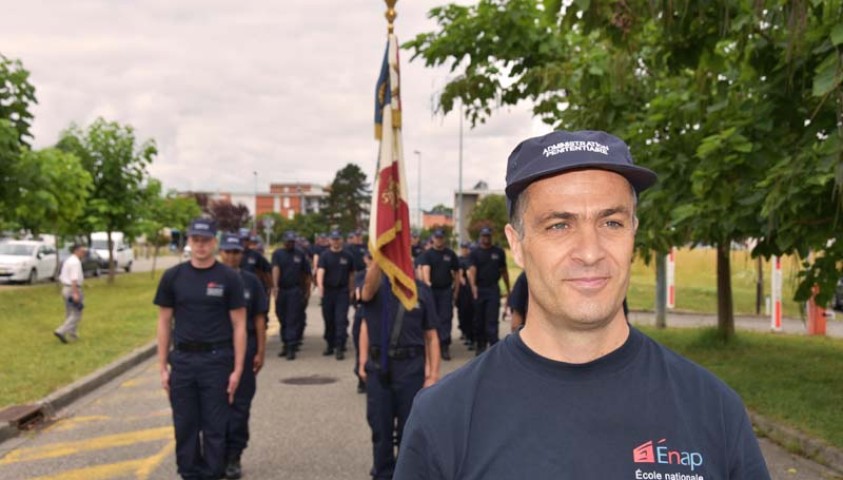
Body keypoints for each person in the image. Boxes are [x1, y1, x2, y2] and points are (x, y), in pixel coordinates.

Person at [393, 130, 771, 479]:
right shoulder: (445, 417)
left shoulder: (713, 409)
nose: (590, 252)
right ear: (517, 244)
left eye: (611, 223)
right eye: (559, 225)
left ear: (633, 233)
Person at [154, 218, 247, 480]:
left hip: (217, 361)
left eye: (206, 240)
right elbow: (164, 322)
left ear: (214, 242)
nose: (201, 245)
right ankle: (190, 473)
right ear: (189, 241)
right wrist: (162, 366)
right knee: (185, 426)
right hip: (182, 361)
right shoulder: (173, 277)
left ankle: (212, 473)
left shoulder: (229, 278)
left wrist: (238, 369)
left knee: (215, 426)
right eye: (196, 240)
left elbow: (239, 324)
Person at [358, 262, 441, 480]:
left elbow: (431, 335)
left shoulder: (421, 290)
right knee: (381, 431)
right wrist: (362, 360)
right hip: (379, 367)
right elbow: (366, 313)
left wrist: (432, 375)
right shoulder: (375, 286)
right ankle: (383, 474)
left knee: (410, 432)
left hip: (411, 369)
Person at [218, 233, 268, 480]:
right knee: (214, 405)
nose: (231, 256)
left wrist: (260, 350)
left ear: (242, 254)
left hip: (245, 348)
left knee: (239, 406)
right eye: (227, 251)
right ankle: (216, 454)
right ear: (220, 252)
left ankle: (233, 455)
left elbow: (260, 319)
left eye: (236, 252)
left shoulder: (251, 282)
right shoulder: (211, 279)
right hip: (216, 350)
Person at [466, 226, 511, 355]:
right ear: (480, 237)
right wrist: (473, 287)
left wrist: (508, 289)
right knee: (479, 320)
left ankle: (494, 347)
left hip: (492, 289)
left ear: (491, 237)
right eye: (484, 236)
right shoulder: (474, 253)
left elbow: (504, 271)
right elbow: (472, 270)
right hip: (479, 289)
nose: (486, 238)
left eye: (488, 236)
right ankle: (480, 345)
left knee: (491, 319)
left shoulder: (498, 252)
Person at [418, 229, 460, 360]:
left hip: (446, 290)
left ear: (444, 239)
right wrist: (427, 285)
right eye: (437, 238)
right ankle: (430, 345)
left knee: (446, 317)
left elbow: (457, 272)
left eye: (441, 238)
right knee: (431, 318)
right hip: (432, 291)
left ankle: (444, 345)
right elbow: (425, 270)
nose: (439, 240)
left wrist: (456, 290)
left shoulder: (450, 254)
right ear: (433, 239)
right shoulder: (428, 254)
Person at [272, 231, 312, 360]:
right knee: (281, 317)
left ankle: (291, 347)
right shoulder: (278, 254)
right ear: (283, 241)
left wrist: (307, 290)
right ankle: (285, 343)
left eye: (292, 241)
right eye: (288, 241)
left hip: (294, 290)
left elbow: (306, 274)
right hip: (282, 290)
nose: (290, 243)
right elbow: (275, 269)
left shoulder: (300, 254)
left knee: (292, 318)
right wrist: (275, 287)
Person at [316, 230, 355, 359]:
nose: (335, 241)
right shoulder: (325, 255)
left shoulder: (348, 256)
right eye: (333, 239)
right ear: (329, 241)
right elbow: (321, 271)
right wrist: (320, 286)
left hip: (342, 291)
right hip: (328, 291)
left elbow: (351, 275)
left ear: (341, 240)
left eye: (338, 239)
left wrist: (351, 290)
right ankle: (330, 344)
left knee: (340, 319)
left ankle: (340, 346)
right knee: (329, 319)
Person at [54, 243, 87, 343]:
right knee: (77, 313)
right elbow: (74, 279)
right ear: (76, 251)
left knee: (70, 312)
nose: (83, 253)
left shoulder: (69, 260)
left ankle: (73, 334)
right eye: (82, 251)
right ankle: (61, 331)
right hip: (72, 289)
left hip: (66, 288)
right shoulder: (75, 262)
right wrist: (75, 293)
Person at [455, 241, 475, 350]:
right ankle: (465, 332)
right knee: (463, 312)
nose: (465, 250)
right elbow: (458, 274)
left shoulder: (471, 259)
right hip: (462, 290)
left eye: (466, 248)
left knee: (471, 313)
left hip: (471, 290)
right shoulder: (458, 260)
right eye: (463, 248)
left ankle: (471, 336)